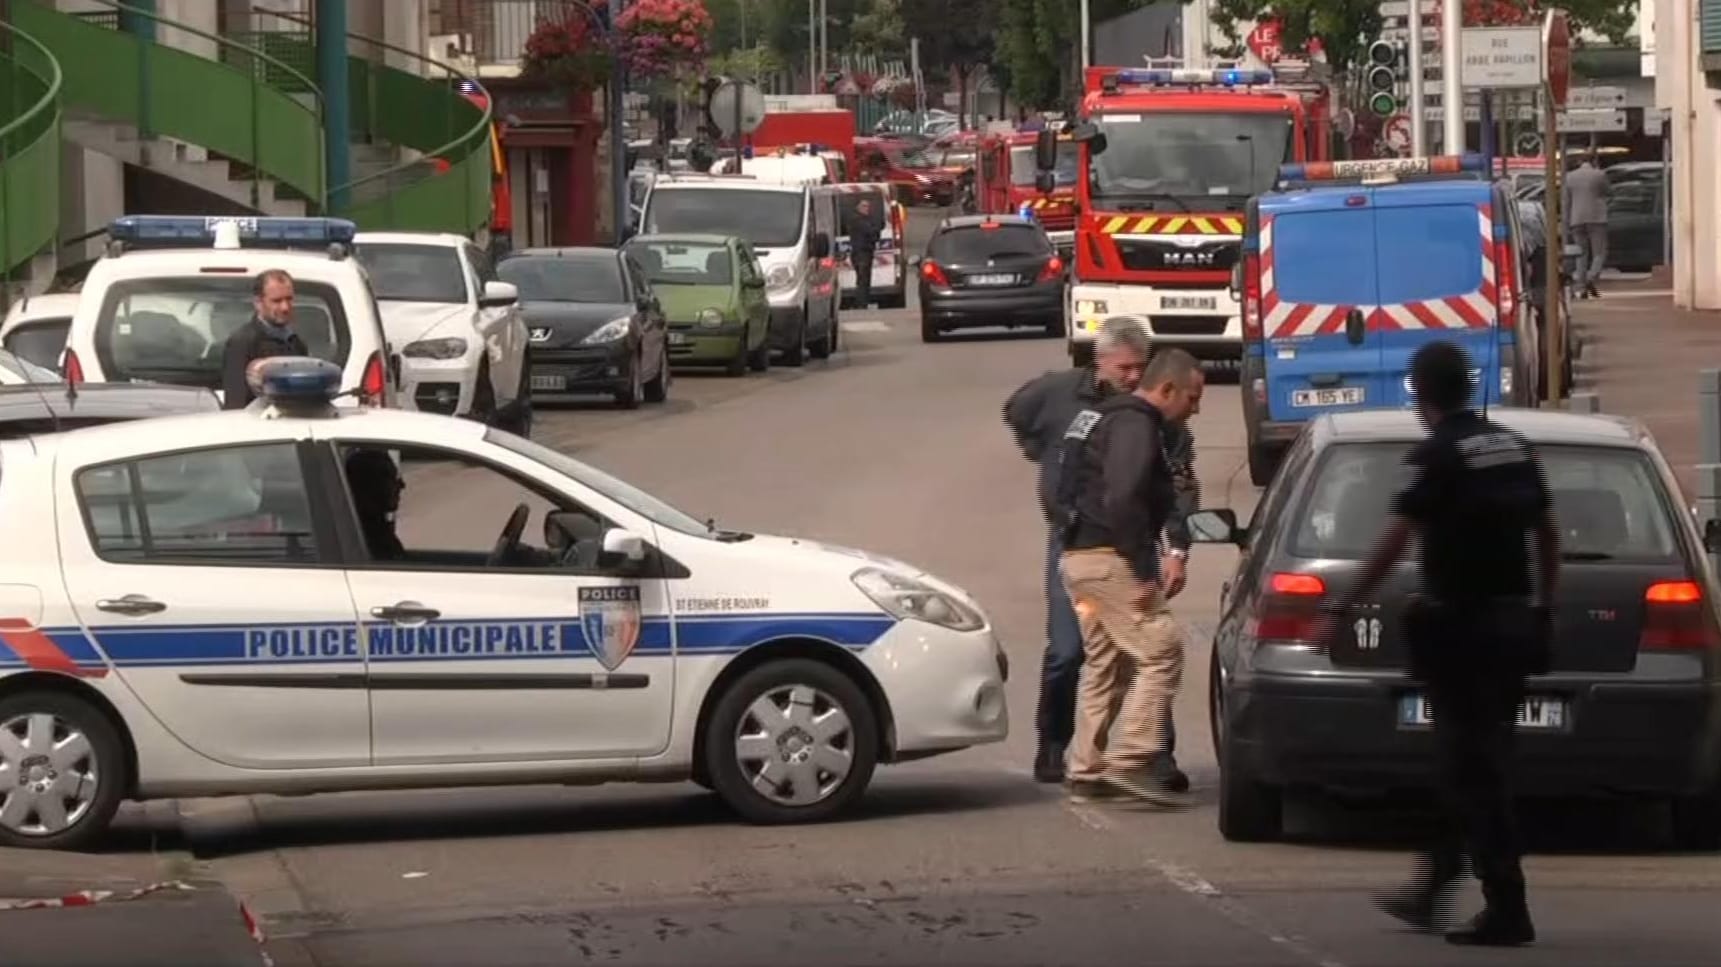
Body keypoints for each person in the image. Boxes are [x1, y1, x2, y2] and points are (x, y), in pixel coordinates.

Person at [1315, 340, 1559, 947]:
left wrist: (1347, 602)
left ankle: (1507, 908)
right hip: (1509, 624)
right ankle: (1435, 886)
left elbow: (1395, 540)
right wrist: (1543, 608)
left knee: (1473, 772)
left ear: (1420, 394)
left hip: (1462, 629)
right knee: (1472, 763)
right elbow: (1548, 537)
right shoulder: (1511, 448)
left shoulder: (1442, 458)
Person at [1005, 319, 1197, 790]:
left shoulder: (1159, 420)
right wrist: (1046, 458)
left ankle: (1151, 756)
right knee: (1078, 651)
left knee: (1124, 653)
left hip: (1128, 544)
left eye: (1139, 367)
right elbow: (1016, 413)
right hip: (1089, 545)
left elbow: (1174, 492)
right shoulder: (1062, 395)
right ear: (1100, 360)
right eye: (1124, 367)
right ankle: (1056, 745)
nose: (1132, 376)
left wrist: (1176, 549)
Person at [1053, 348, 1204, 805]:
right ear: (1167, 389)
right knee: (1163, 649)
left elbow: (1062, 491)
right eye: (1192, 397)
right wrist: (1142, 568)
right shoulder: (1136, 424)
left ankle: (1086, 767)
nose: (1195, 409)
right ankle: (1132, 758)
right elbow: (1123, 498)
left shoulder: (1095, 419)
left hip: (1080, 557)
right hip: (1109, 560)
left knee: (1107, 662)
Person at [222, 269, 308, 409]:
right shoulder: (243, 342)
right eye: (276, 301)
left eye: (289, 299)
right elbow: (236, 403)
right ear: (258, 303)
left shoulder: (296, 343)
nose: (285, 307)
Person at [1562, 150, 1611, 300]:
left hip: (1576, 218)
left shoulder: (1569, 177)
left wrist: (1566, 221)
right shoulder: (1599, 175)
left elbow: (1566, 201)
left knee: (1581, 253)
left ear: (1579, 162)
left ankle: (1581, 286)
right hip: (1597, 217)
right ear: (1594, 161)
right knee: (1599, 252)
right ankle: (1591, 276)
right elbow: (1608, 192)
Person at [345, 448, 406, 561]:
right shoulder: (365, 538)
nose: (402, 485)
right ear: (368, 486)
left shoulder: (374, 530)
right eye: (390, 477)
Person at [848, 197, 885, 309]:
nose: (867, 208)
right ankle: (861, 303)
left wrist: (875, 231)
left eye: (868, 206)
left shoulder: (866, 219)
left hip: (866, 252)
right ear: (858, 208)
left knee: (864, 280)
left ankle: (862, 302)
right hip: (861, 253)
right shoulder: (857, 220)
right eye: (864, 206)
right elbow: (872, 231)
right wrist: (875, 229)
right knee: (863, 280)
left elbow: (876, 234)